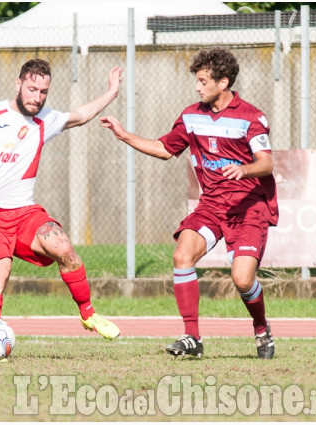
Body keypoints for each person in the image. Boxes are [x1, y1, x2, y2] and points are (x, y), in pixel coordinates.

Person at [100, 47, 277, 359]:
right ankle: (192, 337)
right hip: (211, 205)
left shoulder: (251, 116)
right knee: (182, 254)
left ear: (223, 82)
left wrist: (245, 169)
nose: (197, 86)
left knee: (242, 279)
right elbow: (165, 148)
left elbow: (266, 163)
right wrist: (124, 135)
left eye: (203, 81)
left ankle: (261, 328)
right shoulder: (191, 116)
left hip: (249, 208)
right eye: (197, 81)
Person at [0, 59, 123, 340]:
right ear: (18, 84)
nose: (37, 97)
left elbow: (81, 115)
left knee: (63, 247)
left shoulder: (45, 120)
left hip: (25, 212)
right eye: (31, 89)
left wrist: (111, 92)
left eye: (43, 92)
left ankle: (89, 315)